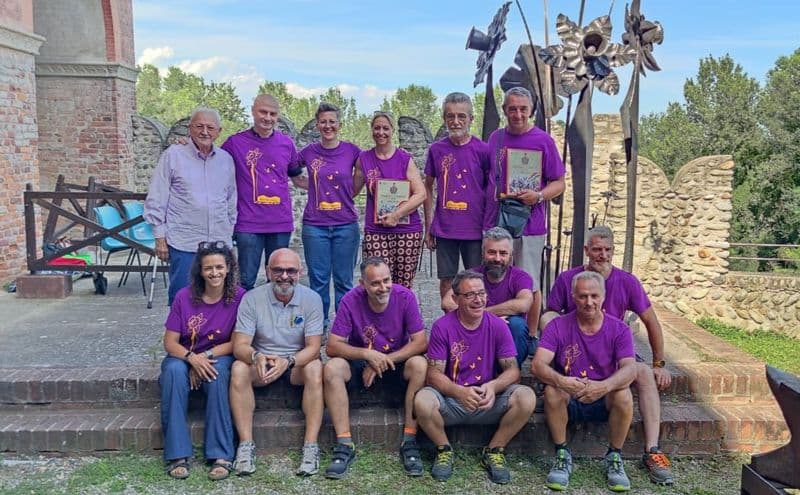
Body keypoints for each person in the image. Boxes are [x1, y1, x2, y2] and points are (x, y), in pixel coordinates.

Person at [542, 225, 675, 485]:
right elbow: (550, 312)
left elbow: (651, 321)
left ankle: (652, 450)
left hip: (616, 351)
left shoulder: (627, 281)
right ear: (586, 250)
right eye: (597, 249)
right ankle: (563, 451)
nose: (602, 255)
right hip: (577, 351)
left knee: (645, 373)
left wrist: (659, 362)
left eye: (607, 250)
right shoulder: (568, 278)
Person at [414, 270, 536, 484]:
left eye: (481, 293)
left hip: (487, 400)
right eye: (470, 295)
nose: (478, 300)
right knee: (423, 400)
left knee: (526, 396)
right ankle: (444, 450)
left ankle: (494, 451)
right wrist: (459, 392)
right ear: (455, 299)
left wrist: (493, 386)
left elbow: (513, 370)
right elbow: (433, 375)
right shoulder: (442, 327)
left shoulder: (498, 325)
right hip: (452, 400)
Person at [322, 256, 428, 478]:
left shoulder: (405, 296)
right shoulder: (351, 300)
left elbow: (421, 342)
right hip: (360, 363)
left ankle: (410, 440)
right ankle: (344, 444)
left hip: (396, 363)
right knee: (332, 368)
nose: (383, 287)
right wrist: (368, 354)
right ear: (362, 284)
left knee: (419, 364)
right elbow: (332, 346)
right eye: (375, 283)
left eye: (386, 280)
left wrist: (384, 359)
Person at [533, 271, 637, 492]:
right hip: (570, 394)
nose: (589, 302)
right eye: (582, 296)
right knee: (552, 391)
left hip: (603, 395)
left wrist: (604, 386)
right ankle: (562, 453)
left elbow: (630, 369)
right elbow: (538, 365)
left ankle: (614, 457)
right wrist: (562, 381)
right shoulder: (557, 326)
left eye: (594, 296)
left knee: (623, 394)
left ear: (603, 296)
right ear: (572, 296)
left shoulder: (619, 329)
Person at [229, 248, 324, 476]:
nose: (284, 276)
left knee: (315, 367)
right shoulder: (252, 298)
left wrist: (289, 361)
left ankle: (311, 446)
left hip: (295, 363)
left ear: (300, 272)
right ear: (267, 271)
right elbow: (240, 344)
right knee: (238, 368)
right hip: (262, 362)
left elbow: (313, 347)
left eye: (290, 270)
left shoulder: (312, 299)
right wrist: (256, 356)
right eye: (278, 270)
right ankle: (245, 445)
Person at [159, 241, 245, 480]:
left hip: (218, 356)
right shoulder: (184, 297)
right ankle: (177, 454)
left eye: (219, 267)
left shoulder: (239, 296)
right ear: (200, 271)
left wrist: (204, 359)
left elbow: (237, 343)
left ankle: (221, 454)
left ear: (228, 268)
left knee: (217, 375)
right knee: (174, 373)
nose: (214, 273)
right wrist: (191, 359)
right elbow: (170, 342)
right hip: (184, 356)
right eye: (208, 268)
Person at [486, 86, 566, 331]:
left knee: (529, 280)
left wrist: (539, 195)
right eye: (512, 109)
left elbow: (560, 183)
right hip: (496, 221)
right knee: (495, 277)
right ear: (504, 110)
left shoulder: (543, 141)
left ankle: (531, 334)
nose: (518, 114)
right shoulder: (495, 139)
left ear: (531, 111)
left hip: (530, 223)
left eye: (523, 109)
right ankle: (496, 328)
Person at [144, 107, 237, 305]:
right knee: (182, 297)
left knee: (219, 299)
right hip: (184, 241)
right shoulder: (174, 155)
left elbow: (230, 199)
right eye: (199, 126)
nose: (205, 132)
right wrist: (160, 237)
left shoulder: (225, 160)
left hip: (219, 242)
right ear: (190, 128)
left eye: (210, 127)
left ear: (219, 131)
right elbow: (157, 196)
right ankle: (180, 336)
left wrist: (229, 232)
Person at [221, 94, 306, 291]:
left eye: (272, 114)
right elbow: (211, 158)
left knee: (279, 281)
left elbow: (297, 178)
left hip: (280, 223)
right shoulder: (235, 143)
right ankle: (242, 321)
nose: (267, 118)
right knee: (245, 280)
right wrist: (187, 144)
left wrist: (330, 186)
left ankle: (274, 321)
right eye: (263, 112)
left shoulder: (286, 144)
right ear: (253, 111)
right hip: (248, 224)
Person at [297, 102, 361, 327]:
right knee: (319, 281)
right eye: (323, 121)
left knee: (345, 281)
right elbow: (291, 170)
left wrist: (351, 191)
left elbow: (364, 172)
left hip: (346, 224)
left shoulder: (352, 151)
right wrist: (308, 185)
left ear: (339, 124)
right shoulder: (309, 152)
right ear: (317, 124)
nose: (328, 125)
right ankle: (320, 325)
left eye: (332, 121)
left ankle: (343, 327)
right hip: (315, 226)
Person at [423, 92, 490, 298]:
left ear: (471, 119)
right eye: (450, 116)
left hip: (475, 229)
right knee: (447, 280)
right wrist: (429, 226)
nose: (456, 121)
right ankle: (449, 326)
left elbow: (490, 191)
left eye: (461, 116)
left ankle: (475, 325)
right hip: (445, 229)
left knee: (476, 281)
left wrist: (488, 229)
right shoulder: (436, 150)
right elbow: (428, 187)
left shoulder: (483, 150)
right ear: (444, 119)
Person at [442, 227, 535, 368]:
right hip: (475, 331)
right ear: (483, 253)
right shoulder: (470, 275)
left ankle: (510, 372)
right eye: (492, 252)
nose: (497, 259)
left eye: (503, 253)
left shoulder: (520, 277)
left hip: (507, 335)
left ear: (511, 255)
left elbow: (524, 304)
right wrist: (487, 318)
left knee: (517, 325)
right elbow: (447, 303)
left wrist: (481, 313)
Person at [353, 111, 426, 289]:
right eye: (377, 128)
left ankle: (401, 317)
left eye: (385, 128)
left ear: (392, 130)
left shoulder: (404, 159)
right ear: (371, 130)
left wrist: (396, 214)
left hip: (407, 230)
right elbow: (352, 191)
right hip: (376, 230)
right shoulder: (364, 159)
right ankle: (377, 317)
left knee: (403, 284)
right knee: (378, 282)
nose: (381, 132)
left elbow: (421, 194)